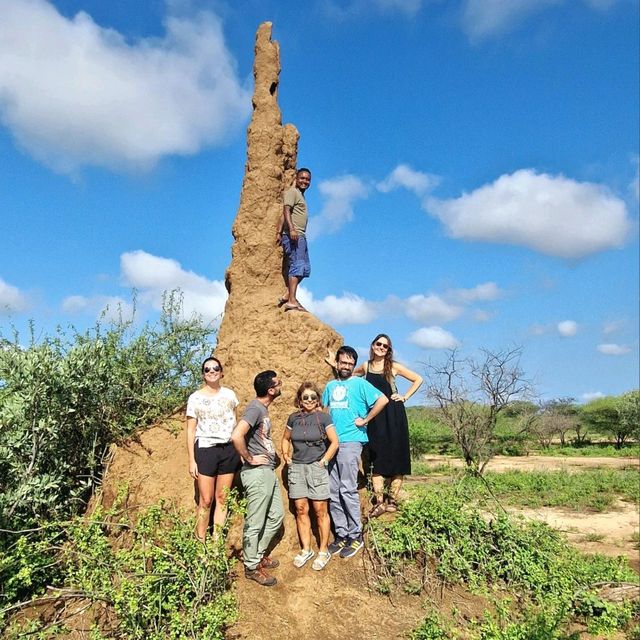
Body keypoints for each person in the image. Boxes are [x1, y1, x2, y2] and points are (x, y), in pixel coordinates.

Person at [322, 346, 388, 559]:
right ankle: (341, 535)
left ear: (354, 365)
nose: (347, 366)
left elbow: (383, 400)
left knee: (347, 489)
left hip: (351, 441)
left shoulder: (360, 383)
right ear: (337, 363)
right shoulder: (330, 385)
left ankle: (356, 535)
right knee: (332, 491)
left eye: (351, 363)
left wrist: (366, 420)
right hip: (331, 443)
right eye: (343, 362)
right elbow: (324, 410)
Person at [355, 334, 423, 517]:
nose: (381, 348)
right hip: (375, 416)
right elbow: (350, 377)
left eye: (385, 346)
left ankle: (392, 500)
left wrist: (405, 397)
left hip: (394, 415)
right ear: (372, 345)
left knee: (398, 456)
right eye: (379, 344)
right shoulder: (365, 366)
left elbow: (418, 379)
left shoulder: (393, 366)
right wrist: (333, 365)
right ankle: (379, 502)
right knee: (378, 457)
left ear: (388, 350)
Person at [231, 371, 285, 587]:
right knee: (255, 522)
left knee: (276, 516)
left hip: (267, 472)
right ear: (271, 390)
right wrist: (249, 458)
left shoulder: (263, 409)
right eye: (278, 383)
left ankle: (256, 553)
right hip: (256, 472)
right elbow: (237, 435)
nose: (281, 384)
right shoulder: (255, 408)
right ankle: (251, 566)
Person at [281, 382, 339, 571]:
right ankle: (306, 549)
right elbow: (285, 438)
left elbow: (334, 442)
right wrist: (286, 455)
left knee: (320, 510)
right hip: (297, 467)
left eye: (313, 397)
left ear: (317, 400)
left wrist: (324, 461)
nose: (309, 400)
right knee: (300, 509)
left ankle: (323, 550)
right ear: (299, 399)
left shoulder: (323, 418)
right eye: (305, 397)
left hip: (316, 467)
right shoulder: (293, 418)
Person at [186, 357, 240, 541]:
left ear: (221, 372)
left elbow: (235, 424)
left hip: (228, 450)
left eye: (215, 368)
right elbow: (191, 430)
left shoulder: (230, 395)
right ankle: (200, 544)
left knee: (223, 499)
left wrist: (239, 450)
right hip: (206, 450)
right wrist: (192, 460)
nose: (212, 371)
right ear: (203, 374)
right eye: (207, 369)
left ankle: (216, 543)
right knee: (206, 500)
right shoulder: (195, 398)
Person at [276, 168, 312, 312]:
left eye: (307, 179)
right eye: (302, 178)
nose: (305, 181)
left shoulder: (300, 196)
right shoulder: (292, 192)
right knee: (297, 266)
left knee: (306, 268)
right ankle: (291, 300)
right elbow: (285, 211)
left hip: (300, 235)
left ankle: (288, 294)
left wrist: (279, 231)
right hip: (294, 235)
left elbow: (283, 215)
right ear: (296, 179)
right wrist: (290, 229)